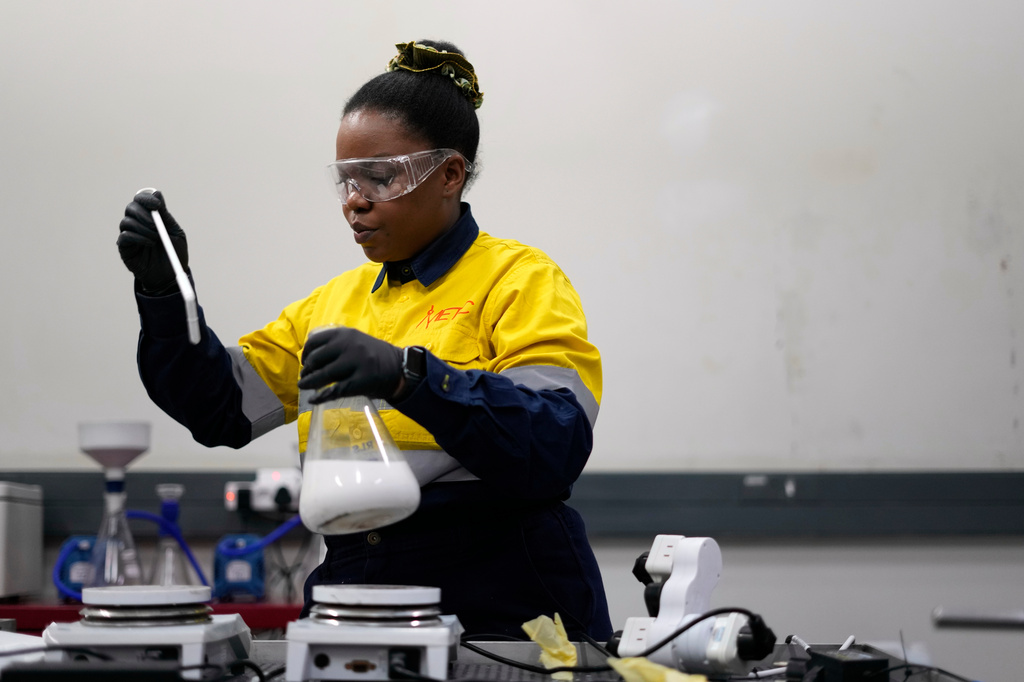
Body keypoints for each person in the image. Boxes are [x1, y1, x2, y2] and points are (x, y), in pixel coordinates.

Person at [116, 39, 612, 640]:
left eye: (379, 178)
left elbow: (552, 442)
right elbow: (218, 409)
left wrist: (412, 376)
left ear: (450, 173)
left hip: (503, 600)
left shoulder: (519, 279)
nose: (354, 202)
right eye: (346, 180)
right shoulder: (332, 304)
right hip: (354, 591)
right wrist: (167, 298)